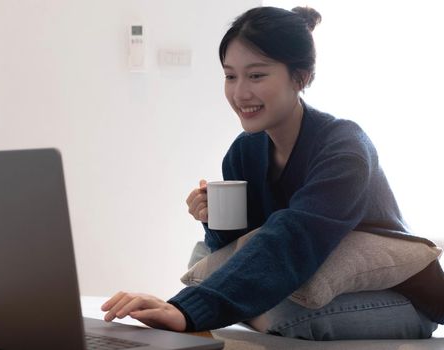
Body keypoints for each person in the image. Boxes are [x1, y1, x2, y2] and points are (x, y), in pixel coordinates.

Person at [101, 6, 444, 340]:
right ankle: (237, 306)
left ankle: (236, 307)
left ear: (301, 77)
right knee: (203, 256)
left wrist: (187, 310)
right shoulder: (244, 150)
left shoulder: (345, 147)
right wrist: (213, 220)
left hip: (401, 300)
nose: (239, 93)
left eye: (256, 75)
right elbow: (236, 246)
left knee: (284, 313)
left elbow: (294, 237)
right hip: (302, 277)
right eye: (230, 75)